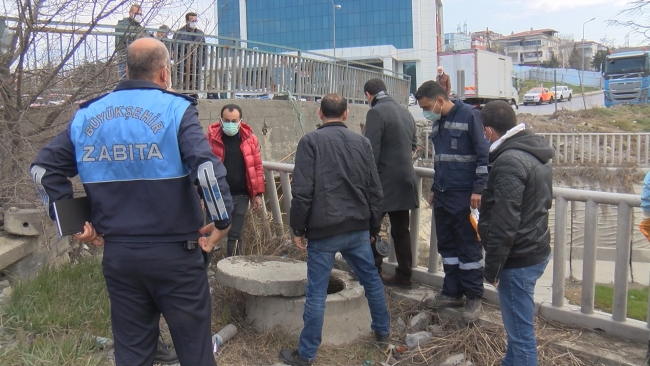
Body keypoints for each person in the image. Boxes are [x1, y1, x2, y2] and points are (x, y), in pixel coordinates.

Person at [30, 37, 232, 366]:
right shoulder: (176, 109)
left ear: (126, 70)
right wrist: (222, 220)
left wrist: (76, 224)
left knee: (133, 354)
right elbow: (207, 169)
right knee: (194, 353)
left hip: (120, 257)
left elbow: (42, 169)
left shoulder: (87, 116)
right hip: (176, 256)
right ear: (165, 73)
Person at [279, 94, 390, 366]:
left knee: (316, 292)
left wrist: (297, 227)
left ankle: (307, 355)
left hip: (323, 229)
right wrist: (374, 226)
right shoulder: (361, 142)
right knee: (372, 281)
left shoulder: (310, 142)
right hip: (357, 227)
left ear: (319, 114)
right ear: (346, 114)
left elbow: (302, 190)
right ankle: (383, 332)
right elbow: (375, 189)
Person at [478, 100, 553, 366]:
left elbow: (505, 220)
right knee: (516, 324)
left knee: (521, 334)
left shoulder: (509, 160)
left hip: (517, 257)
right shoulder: (531, 149)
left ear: (488, 131)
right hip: (534, 247)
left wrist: (493, 268)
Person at [414, 80, 489, 321]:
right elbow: (441, 160)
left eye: (427, 107)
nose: (426, 112)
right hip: (444, 195)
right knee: (447, 248)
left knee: (468, 247)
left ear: (439, 100)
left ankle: (473, 297)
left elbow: (482, 154)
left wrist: (478, 189)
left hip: (465, 195)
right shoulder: (439, 122)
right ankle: (452, 292)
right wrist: (435, 188)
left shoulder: (469, 115)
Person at [363, 78, 419, 289]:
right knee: (401, 231)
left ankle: (373, 274)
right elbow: (413, 144)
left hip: (382, 182)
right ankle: (405, 276)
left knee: (372, 229)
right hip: (405, 180)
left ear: (369, 95)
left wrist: (367, 182)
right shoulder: (405, 111)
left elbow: (370, 152)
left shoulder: (375, 113)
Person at [205, 104, 264, 256]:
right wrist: (200, 194)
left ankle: (233, 268)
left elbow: (256, 167)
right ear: (220, 120)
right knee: (210, 234)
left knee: (236, 235)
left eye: (233, 121)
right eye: (226, 120)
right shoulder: (210, 139)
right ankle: (203, 270)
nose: (230, 124)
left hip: (241, 195)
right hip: (216, 195)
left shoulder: (250, 140)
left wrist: (258, 194)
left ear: (240, 121)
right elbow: (202, 167)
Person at [173, 12, 206, 98]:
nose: (194, 22)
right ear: (187, 21)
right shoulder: (179, 32)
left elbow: (204, 48)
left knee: (195, 83)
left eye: (195, 20)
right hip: (183, 63)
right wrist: (188, 46)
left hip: (196, 63)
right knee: (183, 84)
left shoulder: (200, 33)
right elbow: (175, 47)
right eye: (192, 20)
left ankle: (194, 96)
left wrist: (203, 61)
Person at [115, 4, 147, 80]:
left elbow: (148, 35)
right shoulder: (123, 24)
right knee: (125, 82)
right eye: (136, 14)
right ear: (130, 13)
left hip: (137, 60)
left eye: (140, 14)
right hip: (124, 58)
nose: (138, 16)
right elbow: (122, 34)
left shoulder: (140, 27)